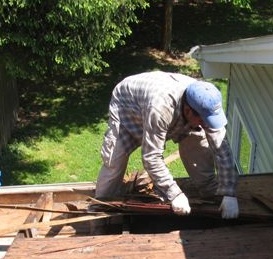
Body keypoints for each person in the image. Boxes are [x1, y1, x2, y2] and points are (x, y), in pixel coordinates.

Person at [95, 71, 239, 219]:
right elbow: (151, 157)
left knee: (198, 142)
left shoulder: (207, 102)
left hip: (163, 107)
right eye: (203, 120)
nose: (207, 125)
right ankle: (99, 215)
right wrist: (174, 193)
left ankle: (210, 193)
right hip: (128, 107)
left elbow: (222, 149)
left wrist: (229, 193)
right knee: (114, 162)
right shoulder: (160, 108)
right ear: (188, 111)